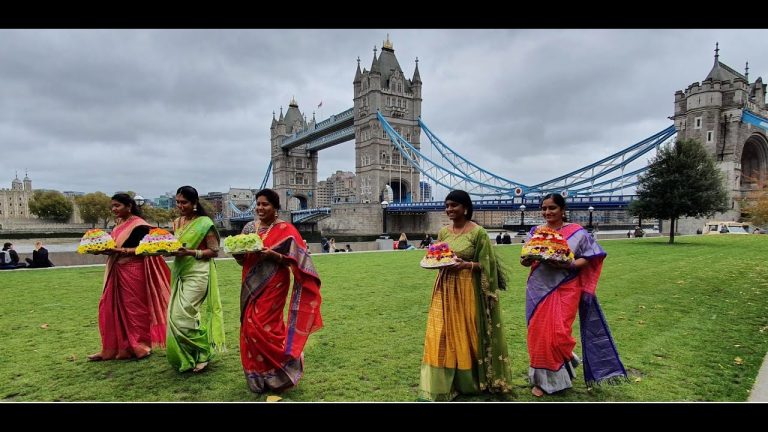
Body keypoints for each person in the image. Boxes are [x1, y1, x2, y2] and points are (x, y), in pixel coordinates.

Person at [520, 193, 626, 397]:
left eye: (552, 208)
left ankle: (565, 362)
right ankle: (543, 381)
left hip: (566, 287)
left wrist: (567, 263)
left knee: (559, 335)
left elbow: (589, 257)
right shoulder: (536, 232)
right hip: (538, 288)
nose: (547, 212)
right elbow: (525, 260)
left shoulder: (578, 232)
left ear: (562, 210)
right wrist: (528, 258)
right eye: (544, 208)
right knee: (539, 334)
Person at [419, 190, 513, 401]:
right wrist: (436, 262)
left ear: (465, 207)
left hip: (468, 289)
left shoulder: (478, 233)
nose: (449, 209)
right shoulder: (444, 232)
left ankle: (468, 381)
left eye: (454, 205)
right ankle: (444, 380)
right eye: (447, 205)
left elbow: (487, 265)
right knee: (443, 333)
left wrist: (467, 264)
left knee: (466, 332)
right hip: (444, 288)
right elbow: (437, 255)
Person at [233, 188, 323, 394]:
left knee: (263, 327)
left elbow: (298, 260)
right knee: (248, 327)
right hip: (250, 282)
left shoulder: (286, 229)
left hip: (275, 282)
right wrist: (237, 255)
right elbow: (242, 259)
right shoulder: (248, 228)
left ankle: (286, 367)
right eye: (258, 204)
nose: (260, 208)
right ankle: (259, 376)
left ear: (276, 208)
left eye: (265, 204)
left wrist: (273, 256)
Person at [87, 193, 171, 362]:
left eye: (117, 206)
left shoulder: (139, 226)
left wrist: (119, 251)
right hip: (116, 269)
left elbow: (144, 249)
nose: (114, 209)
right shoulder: (118, 225)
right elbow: (112, 245)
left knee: (134, 308)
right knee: (108, 306)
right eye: (112, 206)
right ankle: (113, 347)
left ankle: (140, 346)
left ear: (129, 206)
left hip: (133, 269)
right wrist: (100, 249)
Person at [166, 186, 225, 373]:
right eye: (178, 202)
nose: (180, 205)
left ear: (194, 203)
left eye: (184, 202)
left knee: (182, 316)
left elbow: (214, 251)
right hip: (180, 271)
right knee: (175, 316)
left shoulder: (204, 223)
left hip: (199, 272)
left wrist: (190, 252)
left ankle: (204, 352)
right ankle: (190, 355)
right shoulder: (176, 223)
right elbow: (173, 246)